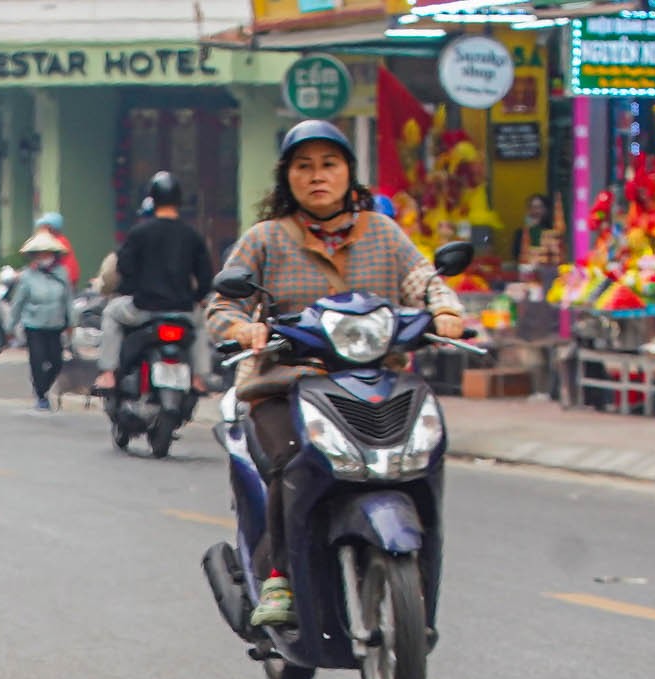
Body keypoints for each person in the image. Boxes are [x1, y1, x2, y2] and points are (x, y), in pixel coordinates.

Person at [206, 120, 463, 629]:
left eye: (329, 164)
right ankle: (279, 577)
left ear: (349, 173)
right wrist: (243, 329)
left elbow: (425, 281)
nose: (317, 176)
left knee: (423, 456)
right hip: (286, 384)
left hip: (380, 382)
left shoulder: (384, 234)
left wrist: (446, 310)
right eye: (304, 167)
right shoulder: (265, 240)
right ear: (287, 178)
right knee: (289, 460)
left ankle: (420, 579)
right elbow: (221, 307)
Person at [95, 173, 215, 395]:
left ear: (152, 199)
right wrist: (198, 297)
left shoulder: (139, 233)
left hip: (143, 309)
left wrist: (129, 289)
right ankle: (199, 378)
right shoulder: (192, 236)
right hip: (183, 311)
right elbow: (206, 275)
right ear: (179, 201)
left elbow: (125, 267)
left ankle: (108, 373)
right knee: (201, 326)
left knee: (111, 313)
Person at [11, 233, 75, 411]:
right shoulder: (27, 277)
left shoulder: (62, 274)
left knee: (56, 362)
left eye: (47, 254)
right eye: (39, 254)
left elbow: (68, 300)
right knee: (37, 360)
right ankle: (41, 394)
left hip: (56, 325)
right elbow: (18, 303)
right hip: (34, 326)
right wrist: (9, 327)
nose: (43, 257)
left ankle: (44, 387)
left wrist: (72, 323)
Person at [32, 211, 81, 289]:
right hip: (58, 280)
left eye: (43, 226)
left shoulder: (57, 242)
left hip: (62, 283)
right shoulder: (55, 240)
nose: (40, 229)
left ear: (51, 228)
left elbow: (43, 261)